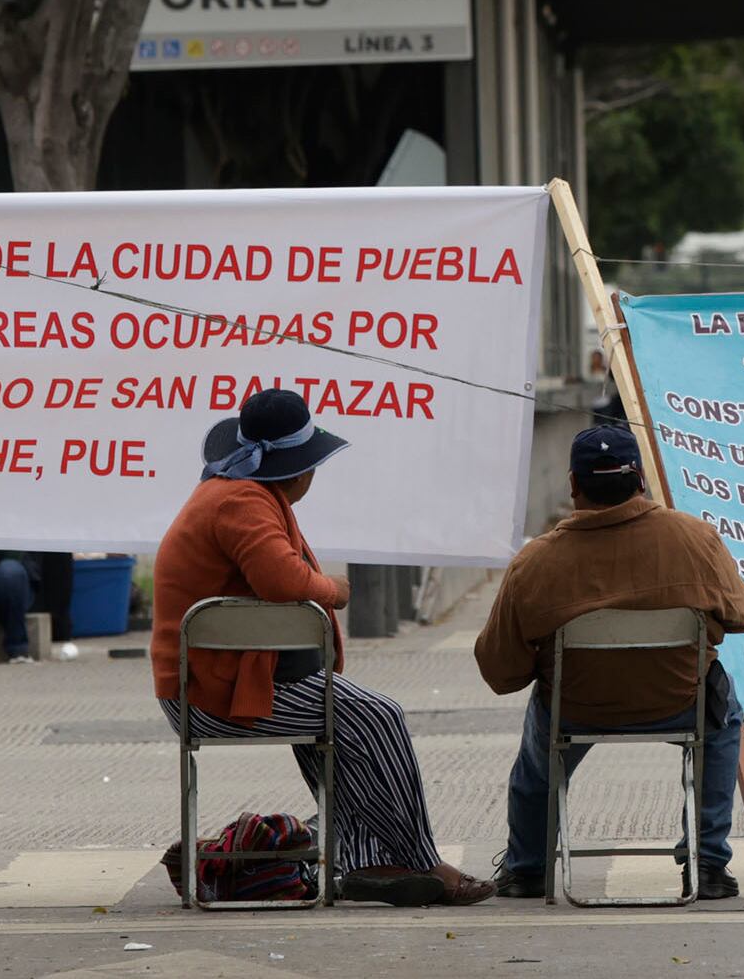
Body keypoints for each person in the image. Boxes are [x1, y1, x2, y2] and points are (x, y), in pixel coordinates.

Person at [153, 388, 494, 907]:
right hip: (211, 694)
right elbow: (283, 580)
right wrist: (334, 590)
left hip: (235, 679)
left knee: (344, 721)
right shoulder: (240, 501)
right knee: (377, 718)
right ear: (296, 470)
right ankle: (419, 861)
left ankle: (364, 861)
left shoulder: (240, 494)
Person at [475, 424, 744, 901]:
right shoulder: (696, 539)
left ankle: (527, 868)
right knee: (724, 720)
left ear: (573, 485)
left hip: (578, 710)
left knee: (539, 744)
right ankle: (707, 863)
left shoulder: (536, 562)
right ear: (640, 481)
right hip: (680, 703)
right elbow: (743, 617)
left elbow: (500, 672)